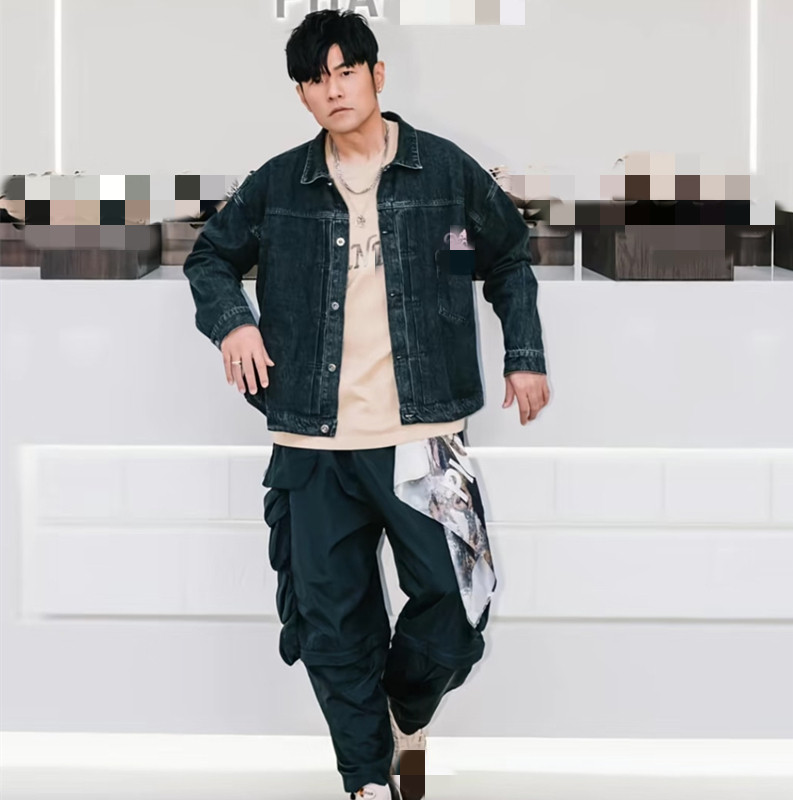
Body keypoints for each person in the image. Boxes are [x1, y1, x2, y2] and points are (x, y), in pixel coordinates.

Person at [183, 10, 550, 799]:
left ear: (377, 75)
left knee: (456, 602)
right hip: (312, 445)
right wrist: (234, 322)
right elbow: (209, 258)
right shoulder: (280, 183)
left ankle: (400, 712)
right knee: (333, 625)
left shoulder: (444, 171)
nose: (334, 89)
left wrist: (524, 356)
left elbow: (509, 258)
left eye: (346, 71)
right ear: (301, 95)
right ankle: (365, 781)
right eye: (316, 79)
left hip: (425, 432)